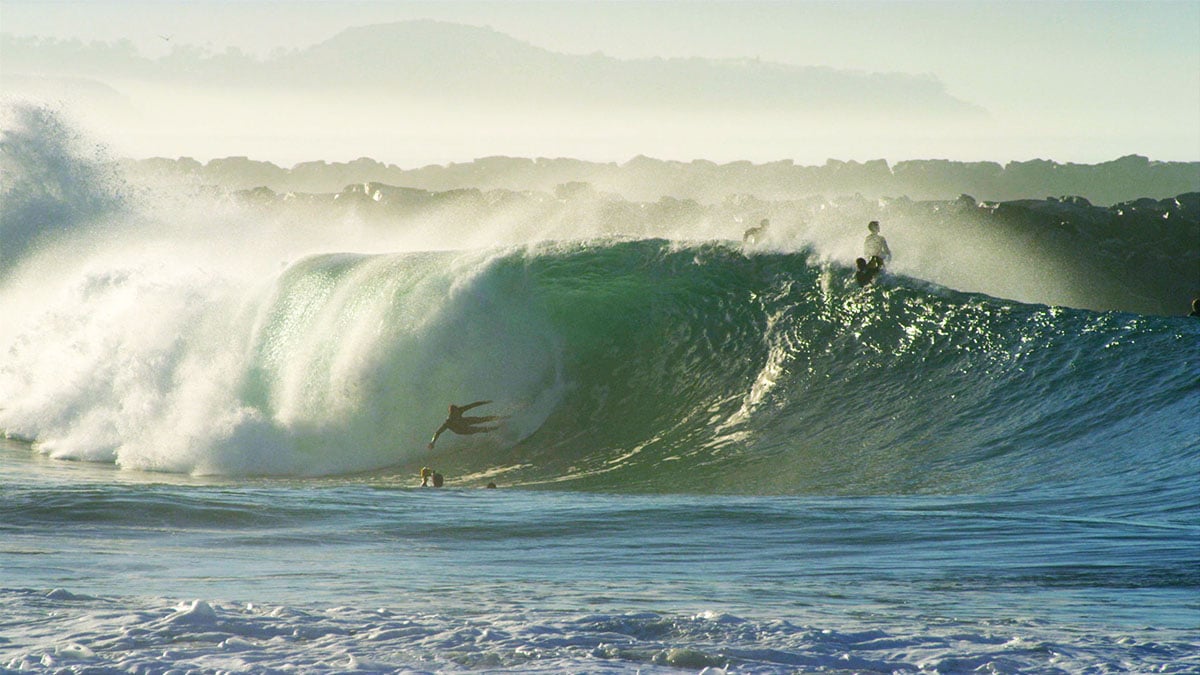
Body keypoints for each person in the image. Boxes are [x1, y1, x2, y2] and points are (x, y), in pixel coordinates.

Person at [428, 400, 505, 449]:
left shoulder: (459, 410)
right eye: (455, 413)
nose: (457, 413)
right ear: (451, 414)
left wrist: (485, 402)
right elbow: (437, 432)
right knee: (479, 429)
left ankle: (502, 417)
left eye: (457, 412)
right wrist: (432, 442)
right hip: (461, 430)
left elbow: (473, 405)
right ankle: (497, 428)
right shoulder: (448, 422)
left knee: (481, 419)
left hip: (463, 421)